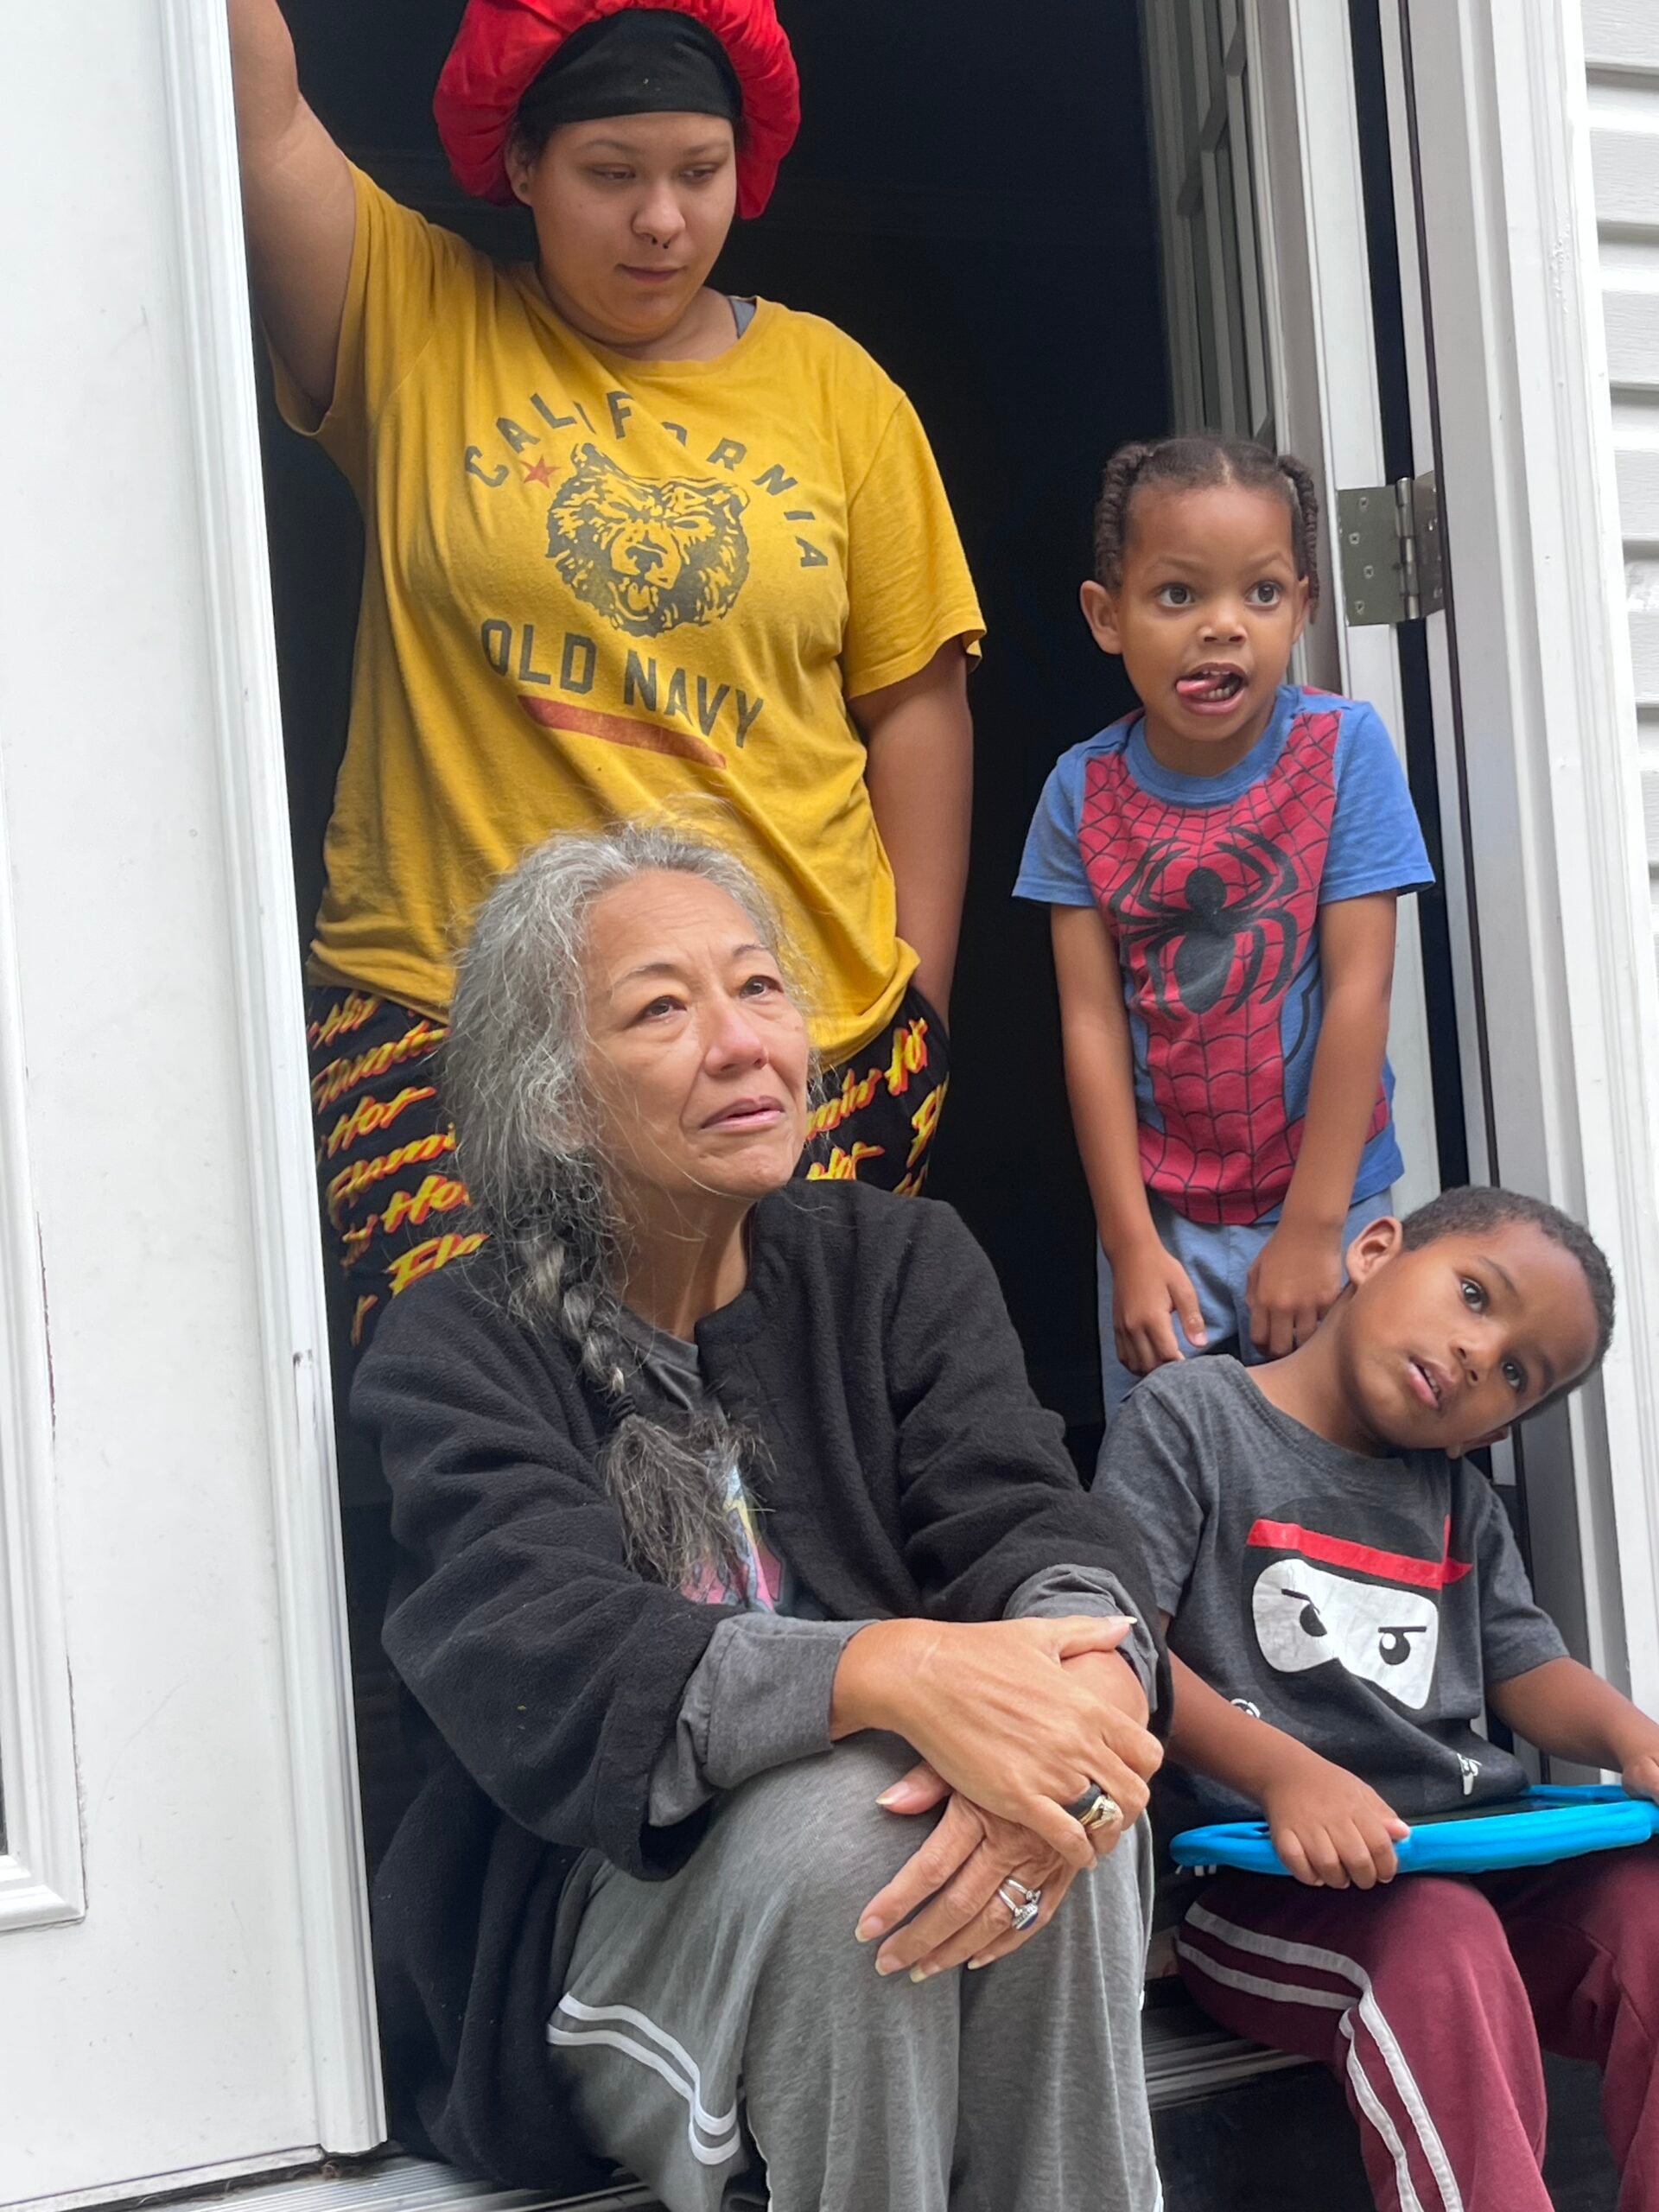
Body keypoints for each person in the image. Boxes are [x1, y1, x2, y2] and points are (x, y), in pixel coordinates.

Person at [353, 823, 1167, 2211]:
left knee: (1070, 1790)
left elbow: (1031, 1520)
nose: (742, 1045)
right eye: (662, 1010)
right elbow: (553, 1662)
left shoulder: (897, 1261)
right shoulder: (455, 1350)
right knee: (853, 1829)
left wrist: (1086, 1688)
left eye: (759, 989)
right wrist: (890, 1668)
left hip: (871, 1899)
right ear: (556, 1102)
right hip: (596, 1958)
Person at [229, 0, 982, 1366]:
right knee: (493, 1430)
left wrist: (917, 1011)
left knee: (779, 1448)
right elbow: (251, 104)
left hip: (789, 1042)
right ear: (523, 165)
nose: (662, 221)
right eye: (611, 172)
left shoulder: (838, 391)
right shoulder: (414, 317)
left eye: (700, 171)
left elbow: (915, 707)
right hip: (449, 1033)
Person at [1094, 1182, 1659, 2212]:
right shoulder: (1193, 1417)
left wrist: (1634, 1738)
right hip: (1264, 1892)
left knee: (1648, 1907)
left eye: (1518, 1373)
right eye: (1476, 1295)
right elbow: (1125, 1649)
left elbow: (1526, 1668)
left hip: (1464, 1861)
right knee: (1438, 1933)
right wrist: (1286, 1775)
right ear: (1375, 1249)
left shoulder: (1459, 1503)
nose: (1481, 1354)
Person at [1014, 433, 1433, 1418]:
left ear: (1304, 607)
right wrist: (1129, 1245)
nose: (1223, 626)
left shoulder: (1344, 751)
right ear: (1106, 615)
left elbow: (1360, 992)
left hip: (1331, 1197)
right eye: (1177, 594)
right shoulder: (1081, 793)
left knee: (1337, 1453)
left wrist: (1313, 1230)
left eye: (1262, 593)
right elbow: (1091, 1025)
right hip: (1163, 1220)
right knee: (1167, 1463)